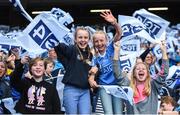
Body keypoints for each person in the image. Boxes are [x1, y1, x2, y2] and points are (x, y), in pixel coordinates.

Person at [88, 10, 122, 114]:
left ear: (106, 40)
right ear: (93, 43)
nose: (99, 43)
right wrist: (91, 80)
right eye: (96, 41)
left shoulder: (111, 48)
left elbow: (119, 33)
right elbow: (92, 73)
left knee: (118, 113)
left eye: (101, 40)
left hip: (117, 85)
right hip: (104, 87)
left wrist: (114, 23)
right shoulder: (94, 57)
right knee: (108, 113)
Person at [54, 25, 93, 114]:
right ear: (75, 39)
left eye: (85, 37)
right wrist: (56, 41)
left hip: (85, 91)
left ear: (89, 40)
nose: (83, 40)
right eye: (80, 37)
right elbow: (61, 47)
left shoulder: (90, 55)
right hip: (71, 90)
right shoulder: (72, 49)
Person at [130, 40, 169, 114]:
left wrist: (164, 52)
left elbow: (164, 73)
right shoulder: (131, 83)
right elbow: (141, 57)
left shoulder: (153, 81)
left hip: (152, 99)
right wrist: (150, 48)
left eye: (150, 57)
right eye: (147, 57)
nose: (148, 58)